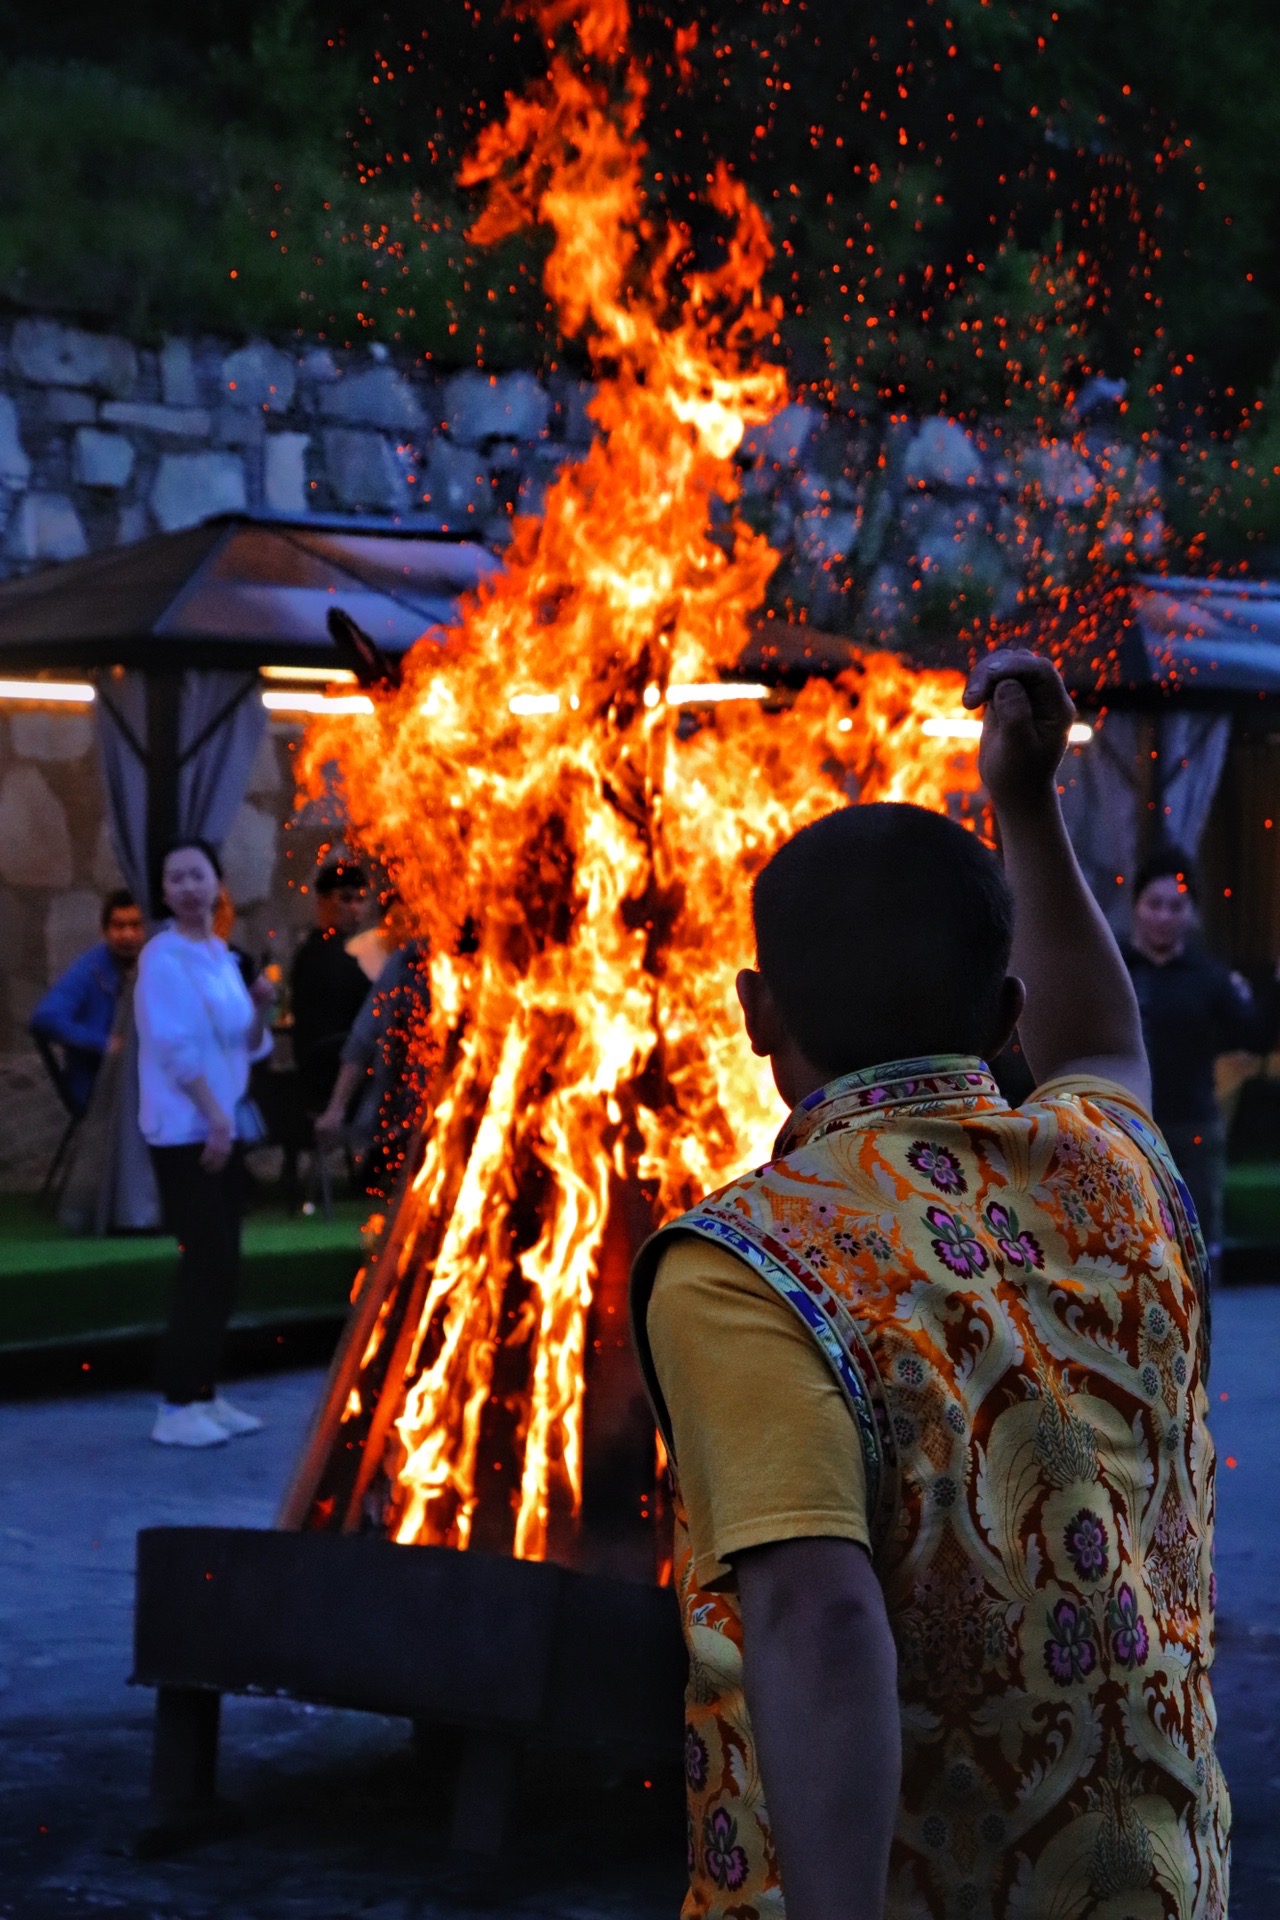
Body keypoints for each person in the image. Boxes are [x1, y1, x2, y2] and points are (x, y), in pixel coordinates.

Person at [630, 652, 1228, 1920]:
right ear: (1003, 1007)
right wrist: (1026, 802)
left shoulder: (744, 1264)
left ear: (750, 1013)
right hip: (1167, 1882)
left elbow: (815, 1620)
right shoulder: (1109, 1169)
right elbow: (1104, 1041)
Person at [135, 838, 276, 1449]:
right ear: (163, 892)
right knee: (204, 1262)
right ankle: (173, 1406)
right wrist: (216, 1120)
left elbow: (246, 1045)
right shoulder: (161, 959)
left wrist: (263, 1009)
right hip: (187, 1131)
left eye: (199, 875)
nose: (189, 887)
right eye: (177, 878)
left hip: (221, 1124)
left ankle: (205, 1394)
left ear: (217, 883)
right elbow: (174, 1049)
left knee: (227, 1263)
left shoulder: (221, 956)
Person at [1124, 845, 1277, 1276]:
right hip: (1126, 1128)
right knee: (1133, 1251)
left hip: (1193, 1131)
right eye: (1154, 904)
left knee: (1197, 1253)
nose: (1164, 916)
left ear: (1190, 913)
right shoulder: (1116, 967)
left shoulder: (1209, 977)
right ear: (1136, 906)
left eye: (1176, 906)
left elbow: (1255, 1036)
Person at [314, 897, 432, 1196]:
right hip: (405, 1098)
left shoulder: (482, 963)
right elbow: (363, 1037)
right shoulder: (405, 962)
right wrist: (336, 1108)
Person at [30, 889, 146, 1112]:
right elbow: (45, 1017)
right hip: (100, 1087)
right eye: (119, 926)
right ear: (105, 932)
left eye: (135, 925)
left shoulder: (152, 962)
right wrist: (103, 1043)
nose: (128, 935)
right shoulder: (90, 968)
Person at [289, 859, 371, 1114]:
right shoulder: (319, 954)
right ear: (322, 903)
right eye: (345, 899)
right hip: (331, 1071)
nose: (355, 908)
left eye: (360, 899)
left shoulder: (352, 952)